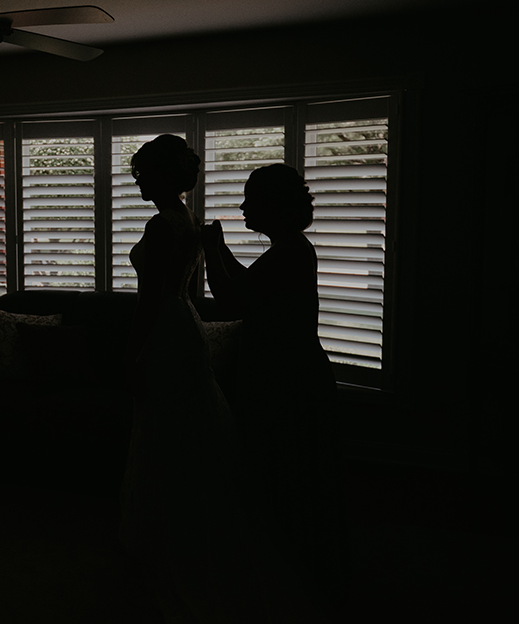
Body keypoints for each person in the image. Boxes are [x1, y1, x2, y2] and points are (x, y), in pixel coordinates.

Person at [121, 136, 314, 623]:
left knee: (169, 435)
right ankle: (194, 532)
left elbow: (151, 301)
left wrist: (134, 353)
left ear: (164, 176)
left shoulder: (162, 223)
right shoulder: (184, 219)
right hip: (184, 327)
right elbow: (201, 290)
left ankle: (177, 541)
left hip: (168, 330)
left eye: (143, 172)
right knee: (189, 432)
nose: (137, 179)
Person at [201, 163, 349, 622]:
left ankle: (291, 580)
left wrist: (211, 251)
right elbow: (251, 287)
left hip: (286, 382)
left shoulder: (288, 254)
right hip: (294, 375)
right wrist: (222, 250)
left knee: (282, 473)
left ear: (271, 205)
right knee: (293, 474)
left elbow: (232, 301)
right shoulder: (291, 250)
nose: (243, 206)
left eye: (250, 199)